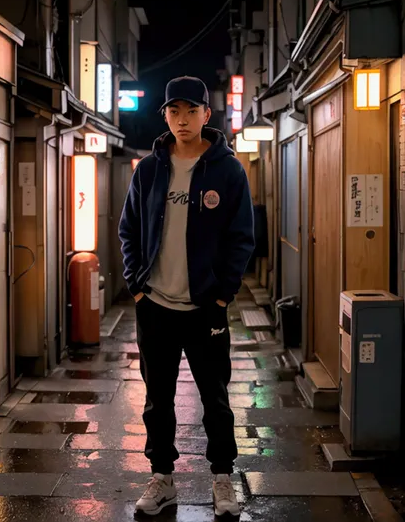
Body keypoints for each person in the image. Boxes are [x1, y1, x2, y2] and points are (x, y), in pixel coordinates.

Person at [119, 76, 255, 518]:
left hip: (204, 308)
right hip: (155, 305)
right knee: (158, 397)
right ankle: (162, 478)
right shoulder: (149, 169)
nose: (182, 120)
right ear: (164, 116)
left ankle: (222, 478)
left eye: (191, 111)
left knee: (214, 396)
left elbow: (242, 238)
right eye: (174, 112)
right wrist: (136, 287)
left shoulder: (227, 169)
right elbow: (128, 231)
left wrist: (221, 296)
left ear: (206, 115)